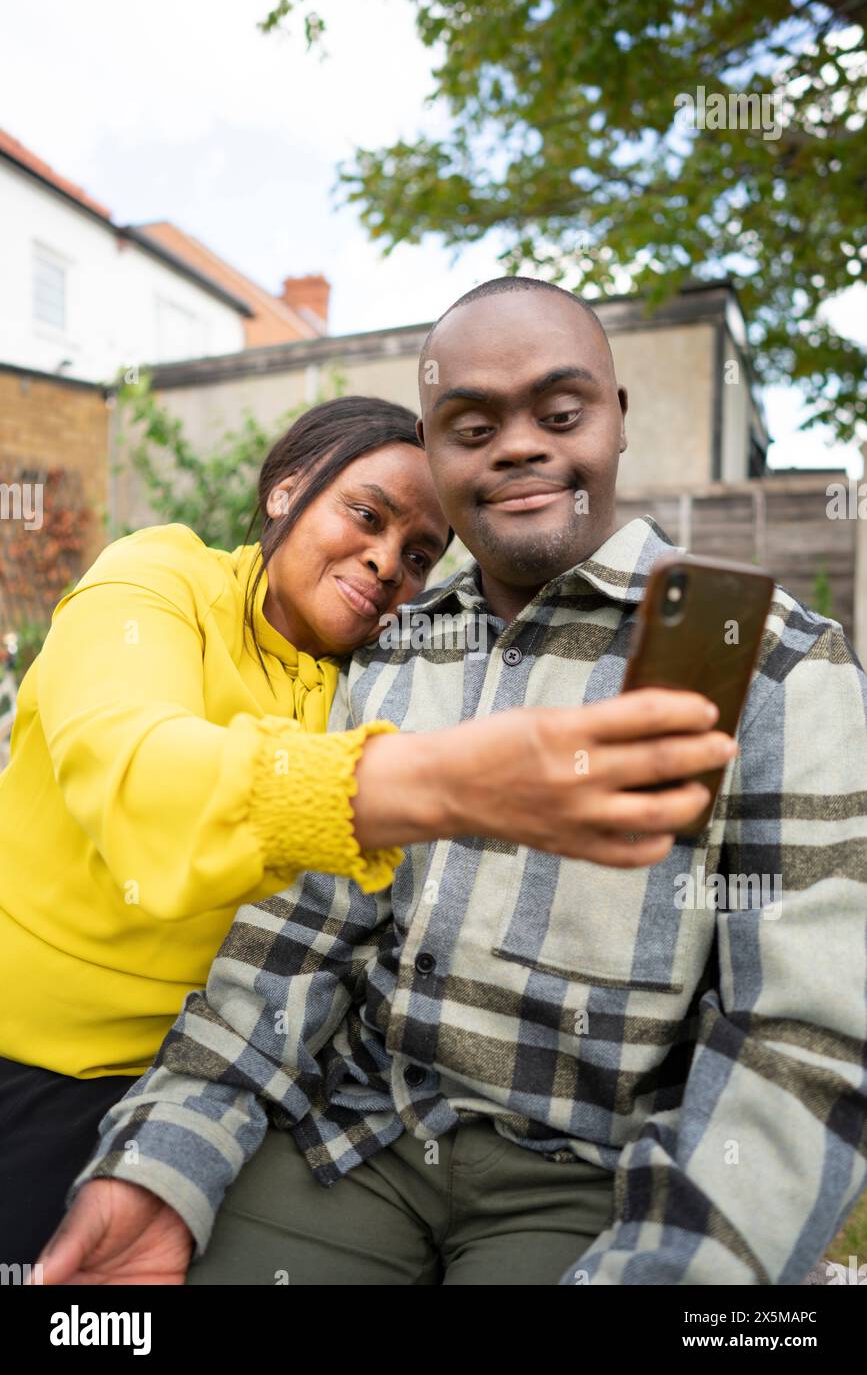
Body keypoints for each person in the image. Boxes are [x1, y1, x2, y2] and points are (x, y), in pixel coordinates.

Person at [43, 275, 862, 1287]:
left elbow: (803, 1031)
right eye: (470, 425)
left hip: (591, 1176)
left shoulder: (760, 653)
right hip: (357, 1145)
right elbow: (294, 943)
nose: (517, 444)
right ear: (434, 450)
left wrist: (684, 1266)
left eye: (558, 412)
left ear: (616, 421)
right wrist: (159, 1167)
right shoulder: (395, 655)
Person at [0, 387, 728, 1267]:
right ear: (285, 489)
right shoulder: (159, 580)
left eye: (419, 553)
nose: (387, 562)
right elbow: (136, 771)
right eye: (365, 514)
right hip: (35, 1068)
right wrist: (442, 780)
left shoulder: (382, 678)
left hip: (212, 1088)